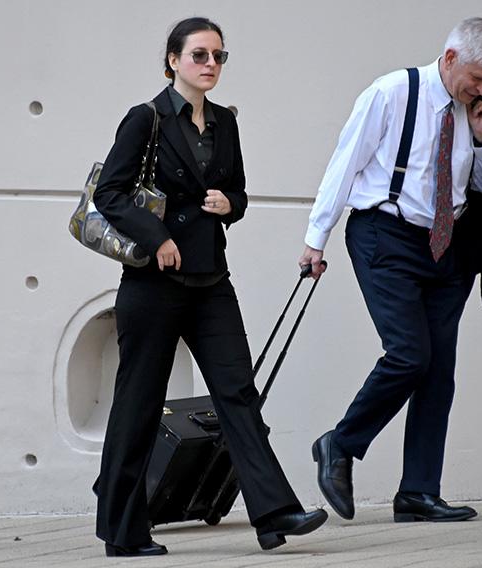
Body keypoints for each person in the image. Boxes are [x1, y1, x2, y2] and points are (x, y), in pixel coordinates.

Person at [92, 17, 326, 556]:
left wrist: (231, 205)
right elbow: (111, 193)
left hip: (211, 279)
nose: (211, 65)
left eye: (219, 56)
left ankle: (274, 513)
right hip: (154, 284)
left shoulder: (225, 122)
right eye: (199, 55)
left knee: (238, 393)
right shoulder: (145, 118)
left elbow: (238, 193)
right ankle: (124, 532)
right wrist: (155, 239)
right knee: (139, 403)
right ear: (173, 60)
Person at [300, 17, 482, 523]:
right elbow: (344, 164)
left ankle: (418, 492)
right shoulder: (392, 93)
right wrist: (315, 239)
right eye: (476, 77)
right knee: (409, 354)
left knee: (439, 371)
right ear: (449, 58)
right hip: (386, 235)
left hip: (449, 248)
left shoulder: (476, 110)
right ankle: (338, 445)